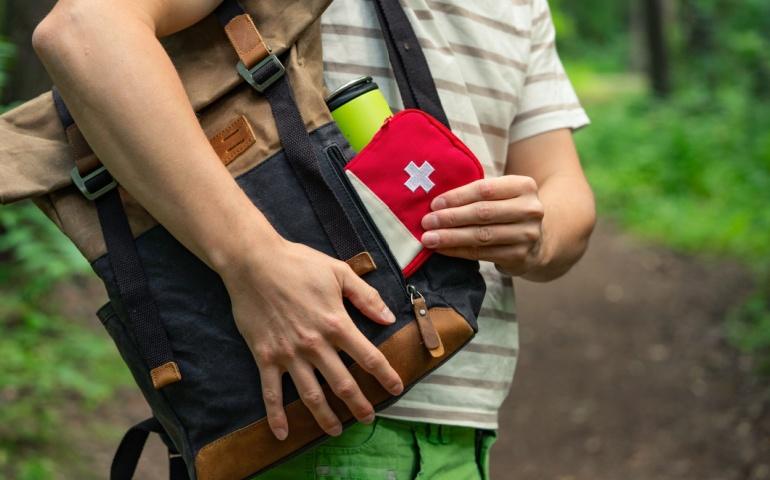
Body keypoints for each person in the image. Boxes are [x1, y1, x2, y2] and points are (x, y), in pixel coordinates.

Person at [32, 0, 595, 478]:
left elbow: (561, 182)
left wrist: (536, 233)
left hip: (465, 424)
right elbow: (85, 29)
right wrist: (252, 260)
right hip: (312, 412)